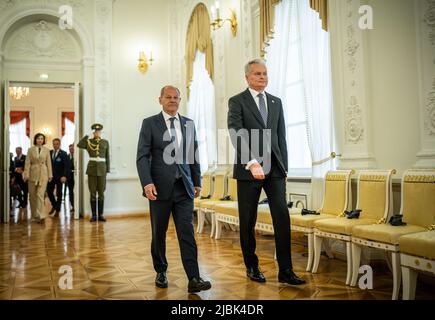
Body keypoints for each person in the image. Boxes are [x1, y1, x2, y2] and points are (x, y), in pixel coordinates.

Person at [227, 59, 306, 286]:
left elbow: (281, 137)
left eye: (265, 74)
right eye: (257, 74)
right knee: (248, 220)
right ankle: (252, 266)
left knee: (282, 217)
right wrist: (251, 162)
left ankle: (286, 270)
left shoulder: (276, 102)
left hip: (275, 170)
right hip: (248, 170)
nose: (262, 77)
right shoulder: (237, 101)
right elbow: (235, 132)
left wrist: (285, 168)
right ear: (247, 77)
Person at [136, 85, 211, 293]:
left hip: (184, 188)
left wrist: (196, 181)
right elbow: (142, 156)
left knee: (187, 233)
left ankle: (194, 277)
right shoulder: (150, 123)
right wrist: (147, 182)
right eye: (168, 97)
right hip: (159, 189)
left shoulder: (188, 123)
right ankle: (161, 270)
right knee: (158, 232)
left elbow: (194, 154)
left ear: (180, 100)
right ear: (160, 99)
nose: (172, 100)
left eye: (176, 97)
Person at [77, 124, 110, 222]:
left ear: (101, 132)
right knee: (92, 193)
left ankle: (100, 215)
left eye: (99, 131)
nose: (97, 133)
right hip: (91, 170)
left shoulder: (105, 142)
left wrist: (107, 170)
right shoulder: (88, 142)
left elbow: (107, 157)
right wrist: (87, 135)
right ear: (93, 132)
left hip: (102, 170)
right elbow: (79, 145)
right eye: (95, 131)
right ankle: (94, 215)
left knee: (101, 193)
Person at [23, 133, 53, 224]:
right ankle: (34, 215)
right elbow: (27, 163)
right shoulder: (30, 150)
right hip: (33, 174)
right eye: (38, 138)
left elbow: (49, 163)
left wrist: (50, 175)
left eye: (41, 138)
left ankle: (41, 215)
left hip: (43, 174)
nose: (40, 140)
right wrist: (26, 174)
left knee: (40, 194)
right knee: (32, 195)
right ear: (35, 139)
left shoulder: (47, 150)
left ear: (43, 140)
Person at [47, 138, 69, 217]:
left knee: (59, 194)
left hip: (60, 177)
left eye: (57, 144)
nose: (55, 145)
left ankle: (57, 210)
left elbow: (66, 166)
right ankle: (55, 205)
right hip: (51, 177)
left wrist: (64, 176)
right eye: (54, 144)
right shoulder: (49, 153)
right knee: (49, 192)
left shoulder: (63, 153)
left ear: (59, 144)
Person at [67, 144, 75, 213]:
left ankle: (77, 206)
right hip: (69, 177)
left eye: (72, 149)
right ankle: (73, 206)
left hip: (76, 176)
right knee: (71, 192)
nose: (71, 150)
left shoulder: (77, 157)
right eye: (70, 149)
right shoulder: (67, 156)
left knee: (76, 191)